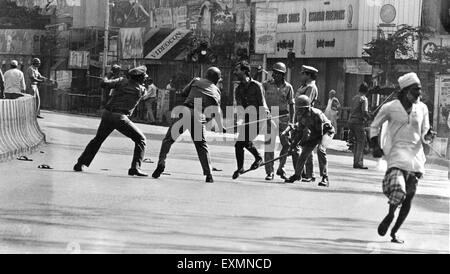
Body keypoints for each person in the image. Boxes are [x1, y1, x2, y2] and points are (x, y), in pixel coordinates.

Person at [370, 72, 435, 244]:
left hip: (416, 157)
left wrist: (429, 136)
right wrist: (375, 145)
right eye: (416, 90)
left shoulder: (422, 108)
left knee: (409, 197)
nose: (419, 94)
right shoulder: (390, 107)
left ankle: (394, 232)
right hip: (397, 154)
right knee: (399, 189)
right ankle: (390, 214)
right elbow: (374, 126)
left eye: (420, 91)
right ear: (405, 90)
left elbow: (425, 133)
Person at [151, 67, 224, 183]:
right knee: (201, 146)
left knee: (168, 139)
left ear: (206, 75)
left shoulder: (196, 80)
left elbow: (184, 93)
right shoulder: (217, 90)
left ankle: (161, 162)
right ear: (217, 79)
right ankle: (209, 174)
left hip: (186, 111)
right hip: (199, 116)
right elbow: (216, 110)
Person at [73, 66, 149, 177]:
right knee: (141, 139)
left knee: (98, 139)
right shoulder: (141, 90)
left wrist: (111, 73)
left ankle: (80, 163)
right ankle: (135, 168)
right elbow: (145, 93)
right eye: (144, 78)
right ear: (140, 78)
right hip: (120, 117)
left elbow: (104, 83)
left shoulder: (121, 81)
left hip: (107, 114)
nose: (145, 79)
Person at [284, 95, 334, 187]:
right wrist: (292, 147)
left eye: (301, 109)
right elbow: (299, 133)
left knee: (320, 150)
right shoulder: (300, 116)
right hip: (315, 133)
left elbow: (319, 134)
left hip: (326, 132)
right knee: (304, 154)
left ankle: (325, 177)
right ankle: (297, 175)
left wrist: (306, 140)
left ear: (308, 108)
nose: (299, 111)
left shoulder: (316, 114)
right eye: (298, 109)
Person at [232, 61, 270, 180]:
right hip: (248, 119)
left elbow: (262, 103)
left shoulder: (256, 85)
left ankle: (257, 159)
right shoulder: (238, 89)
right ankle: (242, 167)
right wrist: (238, 121)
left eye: (237, 70)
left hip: (259, 118)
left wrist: (266, 115)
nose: (235, 72)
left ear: (244, 71)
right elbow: (240, 108)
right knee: (240, 145)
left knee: (242, 142)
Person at [263, 62, 297, 181]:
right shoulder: (266, 85)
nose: (276, 75)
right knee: (269, 144)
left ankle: (281, 167)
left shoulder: (288, 87)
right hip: (269, 117)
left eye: (279, 73)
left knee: (286, 144)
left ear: (283, 75)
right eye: (275, 72)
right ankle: (269, 171)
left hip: (284, 117)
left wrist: (291, 122)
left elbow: (292, 105)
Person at [296, 65, 320, 182]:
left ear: (308, 75)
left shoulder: (311, 87)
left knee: (308, 147)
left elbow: (307, 106)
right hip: (302, 119)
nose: (301, 76)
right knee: (304, 146)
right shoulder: (304, 86)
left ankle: (310, 174)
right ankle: (305, 173)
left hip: (308, 121)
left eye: (303, 74)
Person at [348, 82, 371, 169]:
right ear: (366, 91)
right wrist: (369, 116)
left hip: (351, 121)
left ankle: (356, 162)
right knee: (361, 142)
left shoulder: (354, 98)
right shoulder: (364, 99)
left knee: (356, 142)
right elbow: (364, 112)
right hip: (358, 122)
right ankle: (358, 163)